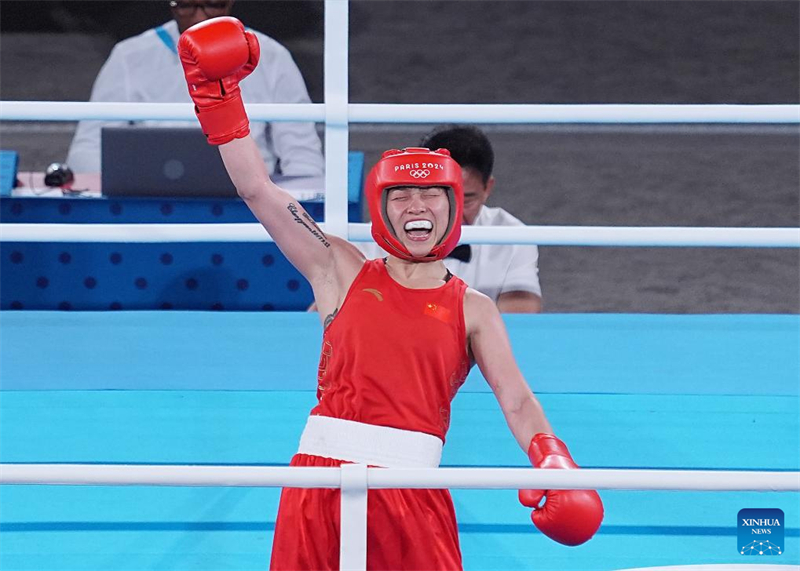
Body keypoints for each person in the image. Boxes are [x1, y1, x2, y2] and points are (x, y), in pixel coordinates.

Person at [177, 17, 603, 570]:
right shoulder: (339, 269)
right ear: (382, 208)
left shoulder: (473, 308)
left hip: (411, 488)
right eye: (401, 195)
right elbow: (257, 190)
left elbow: (516, 399)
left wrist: (551, 456)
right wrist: (221, 103)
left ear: (454, 206)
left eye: (431, 195)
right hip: (318, 481)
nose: (416, 206)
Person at [66, 0, 324, 177]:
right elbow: (88, 150)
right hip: (150, 205)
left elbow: (303, 156)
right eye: (187, 5)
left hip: (252, 208)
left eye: (212, 4)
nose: (199, 17)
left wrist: (285, 210)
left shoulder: (272, 56)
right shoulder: (129, 55)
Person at [359, 125, 543, 313]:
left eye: (467, 200)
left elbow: (521, 314)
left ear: (487, 188)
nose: (454, 213)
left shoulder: (514, 236)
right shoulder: (369, 239)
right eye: (438, 196)